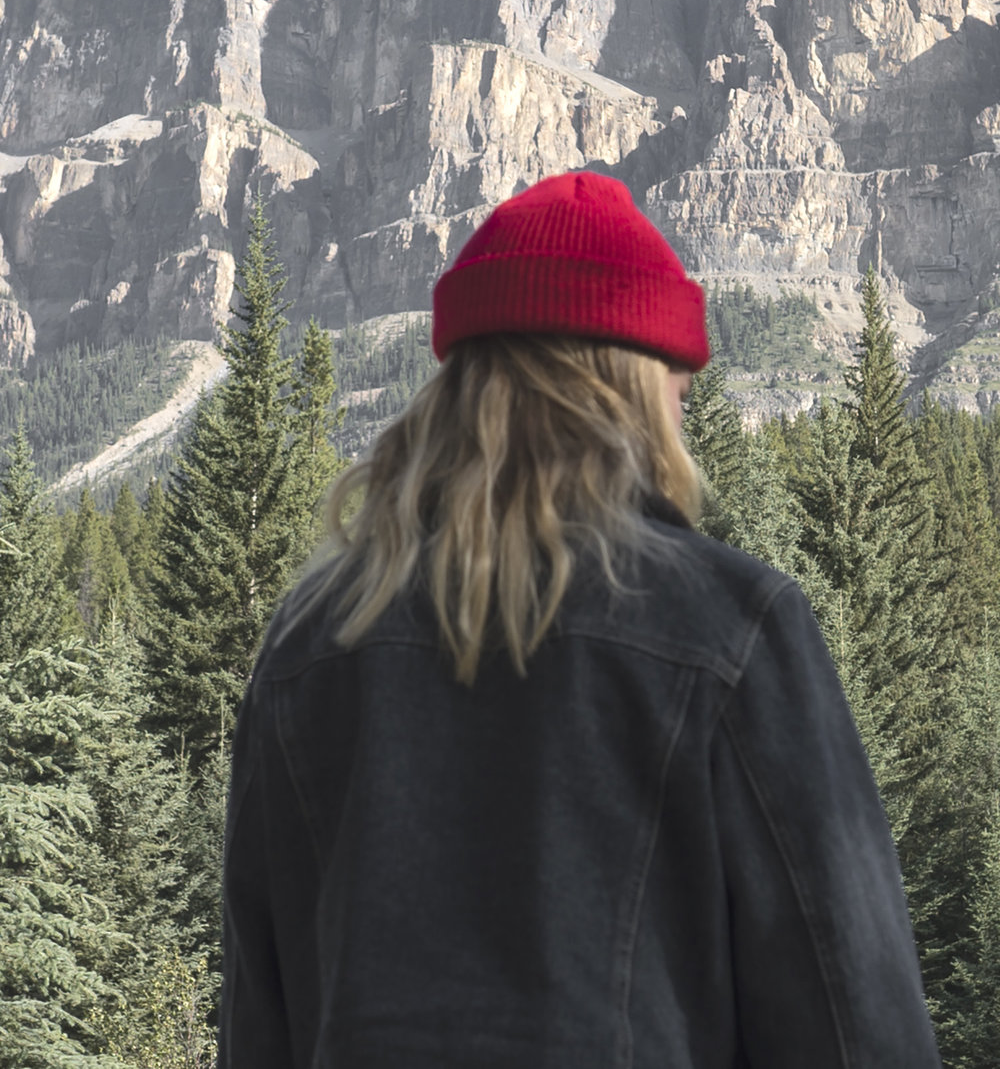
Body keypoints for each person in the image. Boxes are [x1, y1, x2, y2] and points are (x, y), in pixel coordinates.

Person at [218, 170, 942, 1068]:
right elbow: (854, 1022)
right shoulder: (732, 630)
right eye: (678, 380)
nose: (685, 408)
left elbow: (259, 1028)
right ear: (636, 388)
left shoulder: (309, 644)